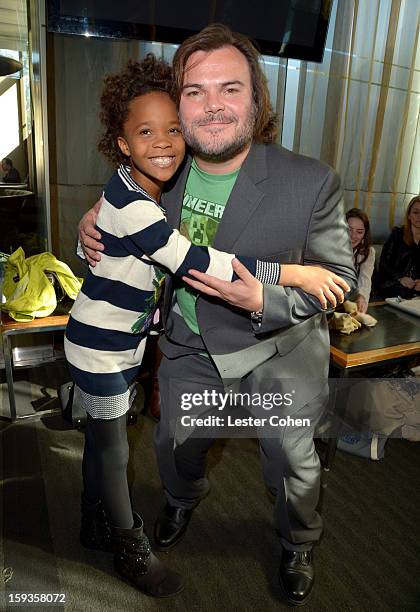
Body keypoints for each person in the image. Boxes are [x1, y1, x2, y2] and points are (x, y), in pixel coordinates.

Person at [79, 24, 356, 606]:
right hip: (186, 346)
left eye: (229, 89)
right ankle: (181, 502)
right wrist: (91, 223)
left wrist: (267, 299)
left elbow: (342, 280)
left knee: (291, 460)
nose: (212, 107)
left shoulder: (311, 181)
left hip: (276, 347)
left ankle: (297, 540)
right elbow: (125, 205)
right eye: (195, 91)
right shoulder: (166, 165)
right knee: (172, 448)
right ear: (177, 102)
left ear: (256, 98)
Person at [377, 195, 420, 299]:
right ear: (409, 215)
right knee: (403, 293)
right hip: (393, 284)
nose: (419, 216)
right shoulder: (397, 234)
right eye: (415, 212)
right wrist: (400, 278)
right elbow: (384, 264)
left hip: (416, 289)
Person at [346, 208, 375, 313]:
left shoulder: (368, 252)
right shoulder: (329, 246)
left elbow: (365, 278)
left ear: (364, 234)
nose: (353, 236)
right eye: (349, 229)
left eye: (359, 232)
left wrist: (362, 297)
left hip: (350, 301)